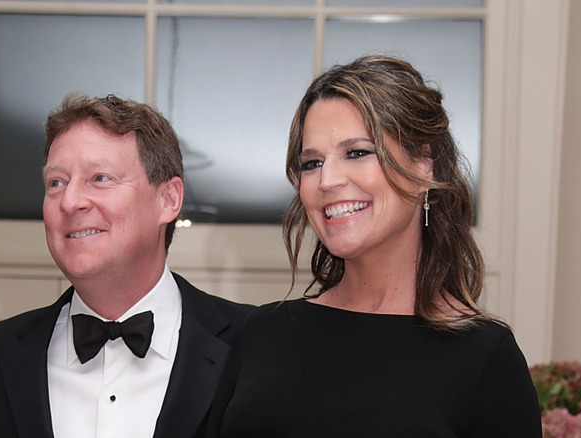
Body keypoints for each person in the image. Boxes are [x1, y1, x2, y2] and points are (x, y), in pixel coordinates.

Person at [206, 55, 542, 437]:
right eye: (312, 163)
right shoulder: (262, 333)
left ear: (423, 165)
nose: (328, 180)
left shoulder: (485, 356)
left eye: (358, 153)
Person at [0, 93, 253, 438]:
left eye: (100, 178)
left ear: (168, 200)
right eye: (56, 183)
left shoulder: (255, 349)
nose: (70, 201)